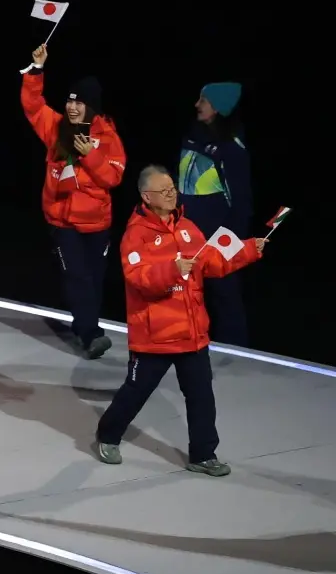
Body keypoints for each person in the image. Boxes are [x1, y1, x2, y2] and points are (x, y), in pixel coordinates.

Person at [94, 165, 267, 476]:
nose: (171, 194)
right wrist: (172, 270)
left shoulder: (187, 226)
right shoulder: (135, 235)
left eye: (172, 188)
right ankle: (108, 435)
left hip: (192, 332)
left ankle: (203, 455)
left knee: (201, 397)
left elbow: (211, 262)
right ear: (147, 197)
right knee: (136, 391)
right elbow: (138, 278)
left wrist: (248, 250)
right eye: (164, 191)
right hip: (155, 337)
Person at [21, 45, 127, 357]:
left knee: (93, 280)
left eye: (79, 103)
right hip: (62, 221)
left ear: (91, 106)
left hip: (96, 224)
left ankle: (85, 327)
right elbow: (33, 106)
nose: (72, 107)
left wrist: (90, 155)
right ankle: (91, 334)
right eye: (69, 101)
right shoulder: (56, 128)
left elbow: (113, 177)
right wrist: (37, 70)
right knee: (76, 276)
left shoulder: (108, 137)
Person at [177, 82, 253, 346]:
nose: (197, 105)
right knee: (183, 291)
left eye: (204, 101)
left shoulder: (231, 148)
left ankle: (235, 350)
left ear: (218, 108)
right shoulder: (191, 136)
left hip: (218, 237)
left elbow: (241, 200)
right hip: (186, 232)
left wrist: (231, 243)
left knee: (225, 295)